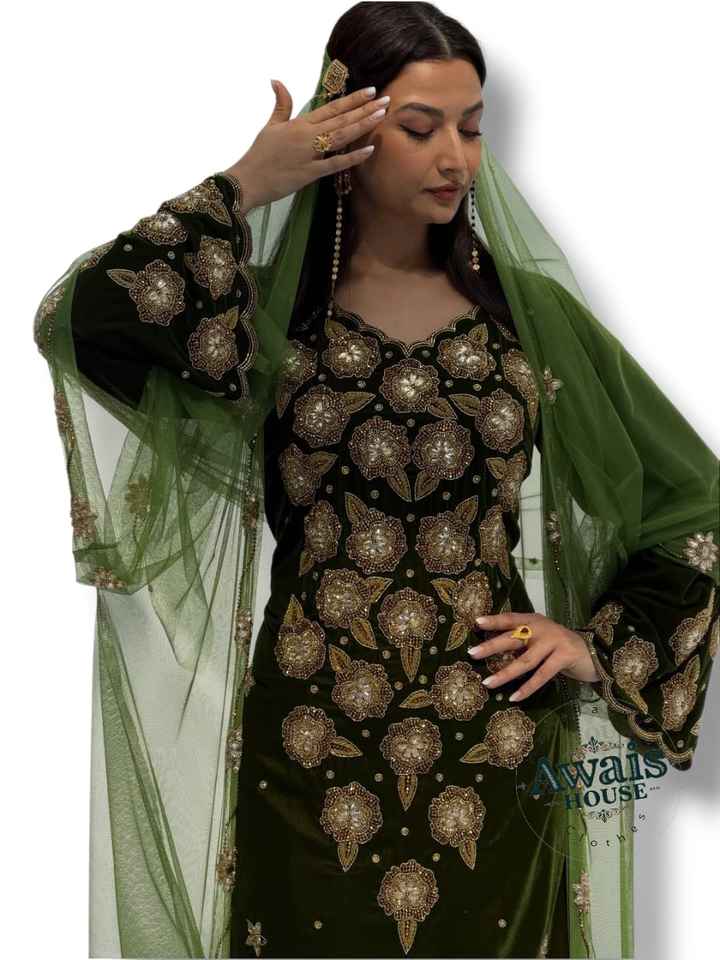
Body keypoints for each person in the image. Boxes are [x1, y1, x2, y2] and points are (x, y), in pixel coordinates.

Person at [33, 4, 719, 959]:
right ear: (347, 135)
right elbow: (79, 322)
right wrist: (245, 184)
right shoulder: (262, 321)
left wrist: (597, 646)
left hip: (496, 745)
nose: (455, 157)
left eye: (472, 128)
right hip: (310, 750)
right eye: (421, 128)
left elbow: (694, 499)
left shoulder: (528, 323)